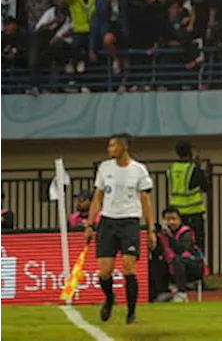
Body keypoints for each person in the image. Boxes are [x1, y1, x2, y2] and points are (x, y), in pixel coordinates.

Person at [86, 133, 156, 325]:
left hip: (129, 222)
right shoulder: (104, 168)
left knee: (128, 267)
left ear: (124, 147)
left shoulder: (139, 170)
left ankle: (131, 312)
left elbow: (146, 201)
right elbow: (98, 197)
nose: (109, 149)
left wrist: (150, 229)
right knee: (104, 271)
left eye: (112, 146)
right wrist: (90, 224)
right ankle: (109, 298)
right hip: (108, 222)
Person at [168, 141, 209, 268]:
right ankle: (198, 277)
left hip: (177, 215)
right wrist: (201, 170)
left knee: (178, 247)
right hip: (194, 213)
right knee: (197, 246)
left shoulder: (172, 168)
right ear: (190, 153)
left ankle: (179, 276)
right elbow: (205, 187)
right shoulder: (193, 169)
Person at [152, 206, 205, 302]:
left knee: (177, 260)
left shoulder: (186, 232)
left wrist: (169, 236)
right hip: (172, 268)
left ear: (179, 219)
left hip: (193, 267)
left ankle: (182, 293)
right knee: (154, 263)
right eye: (168, 219)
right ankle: (160, 292)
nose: (171, 222)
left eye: (174, 219)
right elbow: (157, 252)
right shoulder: (162, 234)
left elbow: (180, 250)